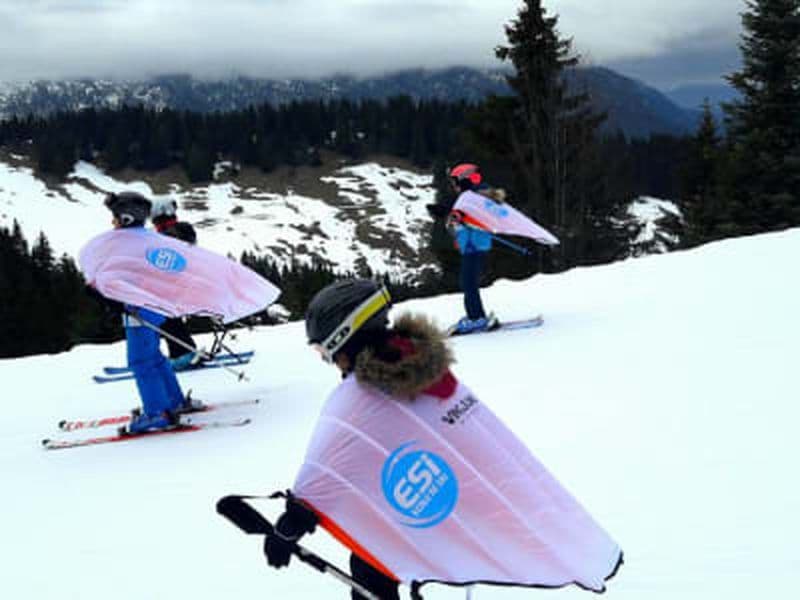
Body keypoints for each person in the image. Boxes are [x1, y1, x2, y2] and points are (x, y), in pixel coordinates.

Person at [263, 278, 622, 598]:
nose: (328, 361)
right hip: (448, 507)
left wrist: (292, 523)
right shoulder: (419, 365)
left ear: (343, 337)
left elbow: (330, 466)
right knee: (375, 549)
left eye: (323, 351)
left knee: (374, 557)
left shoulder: (360, 398)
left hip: (427, 512)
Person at [100, 191, 189, 432]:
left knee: (140, 361)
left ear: (126, 218)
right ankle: (174, 401)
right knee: (155, 358)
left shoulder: (125, 244)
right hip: (155, 307)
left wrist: (108, 296)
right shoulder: (147, 240)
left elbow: (123, 276)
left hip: (138, 310)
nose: (112, 222)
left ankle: (157, 413)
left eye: (115, 217)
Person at [430, 163, 498, 335]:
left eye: (455, 182)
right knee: (468, 282)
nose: (454, 186)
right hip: (472, 245)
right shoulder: (472, 197)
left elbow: (471, 217)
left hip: (474, 245)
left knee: (468, 282)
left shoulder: (473, 197)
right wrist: (447, 213)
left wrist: (454, 216)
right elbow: (461, 217)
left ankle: (476, 318)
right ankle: (476, 316)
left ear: (464, 180)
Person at [150, 198, 199, 370]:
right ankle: (185, 351)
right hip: (181, 281)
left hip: (171, 283)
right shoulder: (182, 229)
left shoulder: (169, 233)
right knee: (170, 319)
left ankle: (182, 354)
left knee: (168, 319)